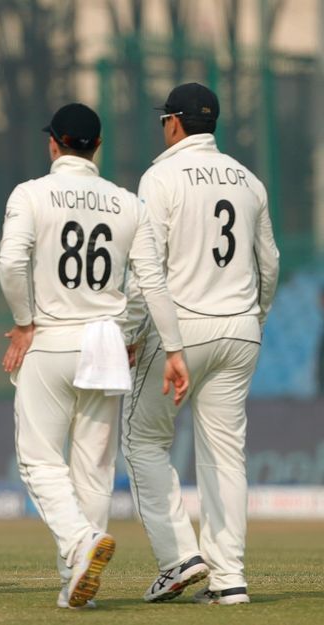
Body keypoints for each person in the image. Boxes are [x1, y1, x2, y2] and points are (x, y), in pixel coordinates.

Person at [0, 103, 189, 609]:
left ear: (54, 143)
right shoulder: (127, 202)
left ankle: (80, 545)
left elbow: (12, 262)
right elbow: (152, 283)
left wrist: (22, 321)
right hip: (105, 340)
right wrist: (171, 348)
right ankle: (77, 584)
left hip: (52, 337)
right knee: (95, 467)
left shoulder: (31, 194)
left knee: (39, 458)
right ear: (97, 146)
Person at [121, 83, 279, 606]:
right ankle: (229, 579)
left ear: (173, 123)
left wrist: (140, 337)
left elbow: (147, 269)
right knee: (226, 456)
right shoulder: (248, 179)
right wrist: (254, 318)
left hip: (183, 331)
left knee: (143, 440)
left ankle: (179, 558)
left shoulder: (160, 175)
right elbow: (269, 263)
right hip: (239, 330)